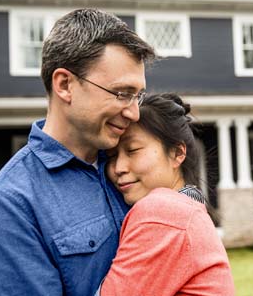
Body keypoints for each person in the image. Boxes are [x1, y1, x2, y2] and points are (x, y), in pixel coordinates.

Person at [0, 9, 155, 295]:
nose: (134, 113)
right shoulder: (10, 203)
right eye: (122, 93)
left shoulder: (132, 163)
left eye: (138, 95)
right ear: (65, 85)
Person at [99, 93, 235, 295]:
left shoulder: (163, 210)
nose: (118, 167)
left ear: (177, 153)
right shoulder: (189, 208)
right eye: (111, 156)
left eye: (133, 150)